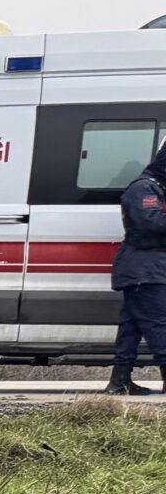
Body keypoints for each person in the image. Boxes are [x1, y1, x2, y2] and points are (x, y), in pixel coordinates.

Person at [105, 140, 166, 397]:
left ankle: (119, 381)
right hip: (145, 270)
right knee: (159, 324)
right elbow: (151, 224)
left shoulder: (156, 187)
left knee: (131, 327)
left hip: (144, 269)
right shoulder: (144, 188)